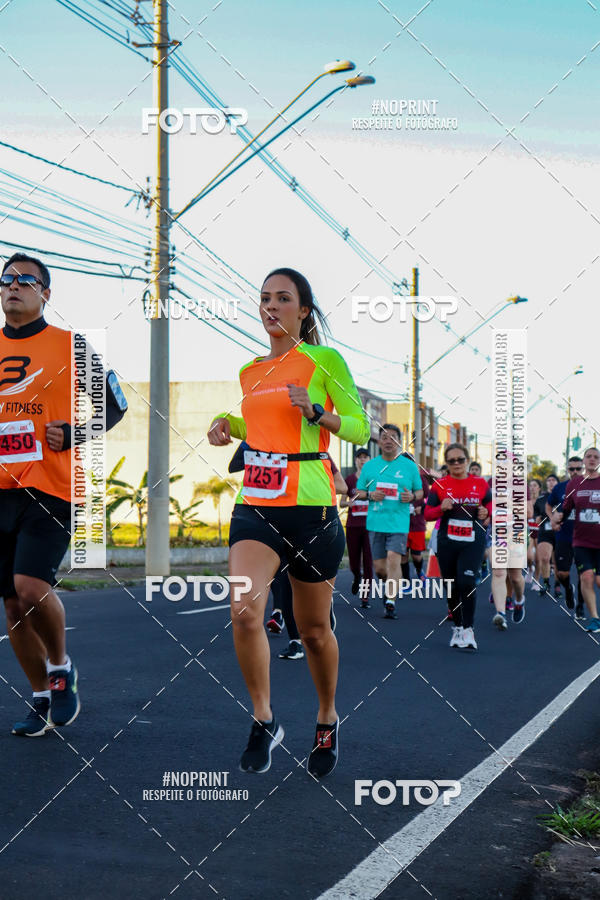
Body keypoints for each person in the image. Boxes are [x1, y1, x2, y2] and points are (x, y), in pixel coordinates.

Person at [208, 267, 369, 778]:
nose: (271, 306)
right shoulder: (249, 370)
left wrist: (319, 412)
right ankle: (263, 718)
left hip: (312, 507)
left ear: (303, 311)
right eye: (264, 298)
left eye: (283, 298)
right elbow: (257, 423)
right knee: (244, 611)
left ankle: (326, 715)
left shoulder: (324, 360)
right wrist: (225, 425)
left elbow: (362, 426)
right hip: (256, 503)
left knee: (314, 629)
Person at [0, 252, 127, 736]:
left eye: (26, 280)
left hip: (51, 488)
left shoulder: (71, 346)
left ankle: (60, 668)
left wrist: (75, 432)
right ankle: (39, 697)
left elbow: (115, 406)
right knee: (12, 605)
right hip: (1, 492)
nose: (14, 286)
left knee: (31, 587)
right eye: (7, 279)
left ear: (45, 294)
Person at [425, 443, 492, 650]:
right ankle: (457, 627)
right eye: (451, 460)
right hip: (447, 540)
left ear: (467, 460)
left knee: (467, 581)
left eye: (460, 460)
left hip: (473, 540)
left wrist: (486, 514)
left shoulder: (480, 483)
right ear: (447, 463)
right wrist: (440, 508)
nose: (456, 464)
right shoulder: (439, 485)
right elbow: (427, 514)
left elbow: (491, 507)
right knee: (451, 584)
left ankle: (468, 629)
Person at [354, 425, 423, 619]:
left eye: (393, 437)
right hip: (375, 523)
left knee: (394, 557)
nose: (388, 440)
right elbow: (358, 492)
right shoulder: (370, 466)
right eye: (384, 437)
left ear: (399, 442)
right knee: (380, 569)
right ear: (379, 442)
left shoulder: (409, 466)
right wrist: (369, 494)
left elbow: (420, 492)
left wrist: (412, 496)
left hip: (399, 523)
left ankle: (391, 601)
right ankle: (388, 587)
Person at [557, 448, 600, 632]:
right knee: (587, 577)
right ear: (583, 461)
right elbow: (566, 508)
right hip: (581, 541)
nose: (592, 459)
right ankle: (595, 619)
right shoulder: (575, 483)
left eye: (596, 457)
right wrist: (558, 520)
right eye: (588, 456)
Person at [548, 457, 584, 617]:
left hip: (585, 538)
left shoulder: (592, 486)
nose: (575, 472)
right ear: (567, 470)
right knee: (562, 573)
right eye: (572, 469)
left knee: (585, 575)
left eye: (578, 469)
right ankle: (568, 589)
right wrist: (552, 517)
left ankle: (581, 606)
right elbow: (549, 506)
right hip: (564, 536)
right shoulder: (560, 488)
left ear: (582, 469)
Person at [340, 447, 373, 607]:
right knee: (354, 563)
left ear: (369, 460)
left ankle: (365, 596)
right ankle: (356, 576)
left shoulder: (374, 480)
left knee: (368, 562)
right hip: (353, 526)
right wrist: (349, 503)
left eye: (365, 457)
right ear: (355, 461)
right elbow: (341, 503)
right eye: (359, 457)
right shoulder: (349, 480)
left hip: (370, 526)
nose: (362, 460)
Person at [400, 454, 430, 587]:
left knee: (417, 556)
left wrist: (421, 508)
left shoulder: (421, 479)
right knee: (403, 554)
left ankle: (419, 570)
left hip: (417, 523)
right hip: (401, 523)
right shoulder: (397, 479)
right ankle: (406, 581)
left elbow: (430, 500)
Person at [533, 474, 559, 594]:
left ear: (558, 483)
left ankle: (558, 585)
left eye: (553, 480)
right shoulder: (541, 499)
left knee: (558, 562)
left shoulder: (564, 497)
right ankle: (546, 583)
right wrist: (537, 518)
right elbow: (536, 514)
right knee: (544, 558)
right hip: (545, 532)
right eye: (549, 480)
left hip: (560, 532)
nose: (551, 482)